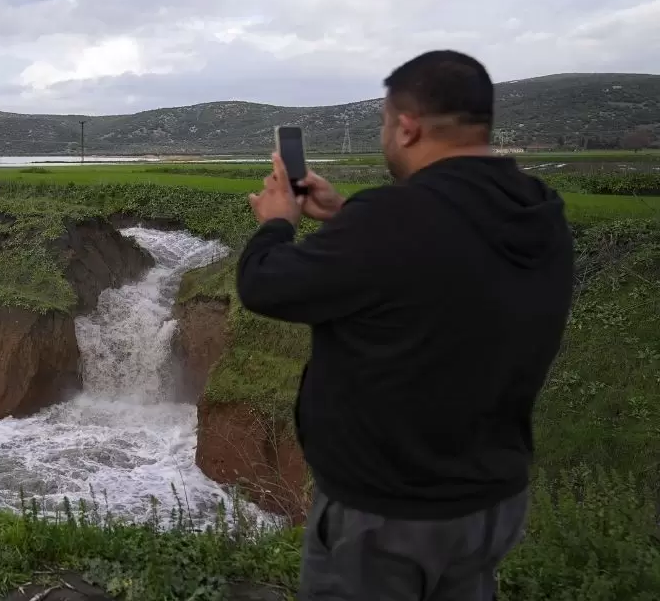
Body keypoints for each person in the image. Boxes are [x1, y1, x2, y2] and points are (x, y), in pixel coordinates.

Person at [237, 50, 574, 600]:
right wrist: (347, 216)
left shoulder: (394, 219)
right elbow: (442, 261)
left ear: (408, 127)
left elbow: (264, 284)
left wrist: (277, 223)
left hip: (386, 512)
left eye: (384, 123)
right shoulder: (538, 211)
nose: (385, 136)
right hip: (489, 503)